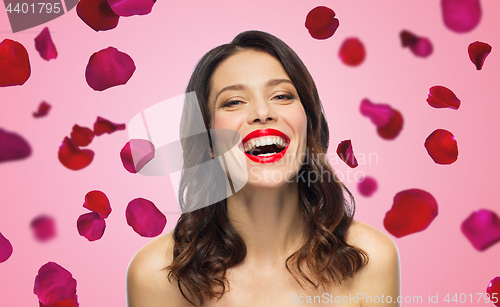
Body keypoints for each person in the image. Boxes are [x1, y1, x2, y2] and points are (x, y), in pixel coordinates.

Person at [126, 30, 400, 307]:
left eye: (281, 96)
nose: (262, 112)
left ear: (310, 125)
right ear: (208, 141)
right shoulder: (156, 275)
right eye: (233, 102)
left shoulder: (371, 258)